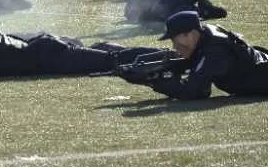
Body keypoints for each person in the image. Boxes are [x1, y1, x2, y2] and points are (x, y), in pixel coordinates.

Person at [104, 11, 268, 100]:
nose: (175, 47)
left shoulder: (214, 51)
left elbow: (193, 92)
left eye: (175, 40)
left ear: (189, 35)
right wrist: (147, 72)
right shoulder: (205, 37)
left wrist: (153, 81)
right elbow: (191, 66)